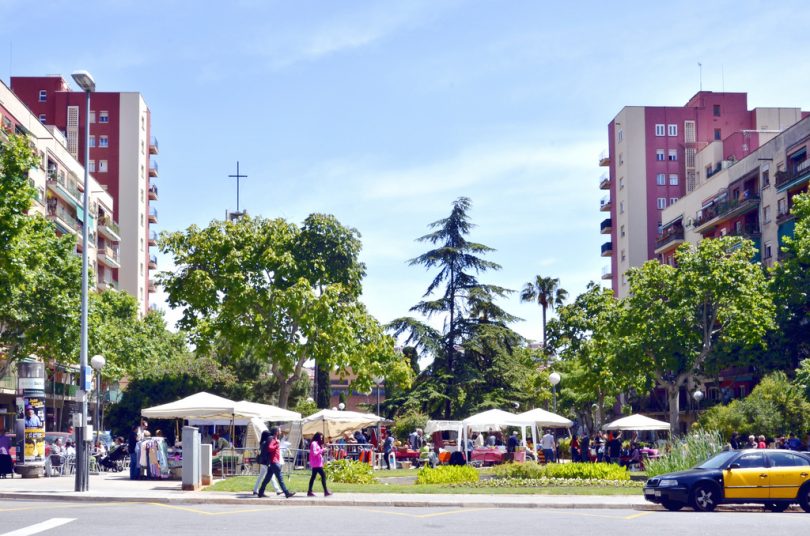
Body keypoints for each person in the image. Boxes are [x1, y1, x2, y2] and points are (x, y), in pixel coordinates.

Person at [257, 427, 295, 498]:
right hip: (274, 462)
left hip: (273, 462)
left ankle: (260, 492)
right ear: (276, 432)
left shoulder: (275, 439)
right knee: (280, 479)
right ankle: (287, 493)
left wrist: (277, 443)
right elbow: (270, 448)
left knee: (267, 479)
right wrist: (277, 444)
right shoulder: (273, 439)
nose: (281, 431)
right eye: (279, 430)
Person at [253, 430, 282, 496]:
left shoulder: (262, 442)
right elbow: (266, 453)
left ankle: (255, 490)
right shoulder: (265, 442)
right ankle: (278, 490)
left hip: (263, 462)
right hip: (266, 462)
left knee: (261, 477)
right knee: (271, 476)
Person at [307, 432, 332, 497]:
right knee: (323, 475)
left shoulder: (317, 443)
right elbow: (314, 453)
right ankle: (325, 491)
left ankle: (309, 491)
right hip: (316, 463)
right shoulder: (314, 443)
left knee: (313, 477)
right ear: (317, 437)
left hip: (317, 463)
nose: (321, 439)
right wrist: (322, 450)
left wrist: (323, 449)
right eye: (320, 437)